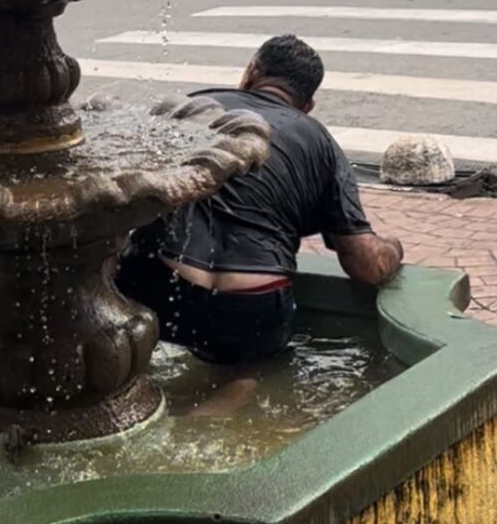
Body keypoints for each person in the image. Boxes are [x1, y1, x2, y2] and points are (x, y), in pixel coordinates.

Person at [117, 35, 405, 375]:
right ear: (308, 104)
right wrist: (395, 250)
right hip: (255, 307)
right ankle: (240, 392)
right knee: (248, 374)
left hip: (160, 284)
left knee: (127, 356)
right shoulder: (320, 141)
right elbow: (365, 265)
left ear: (250, 72)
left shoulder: (194, 106)